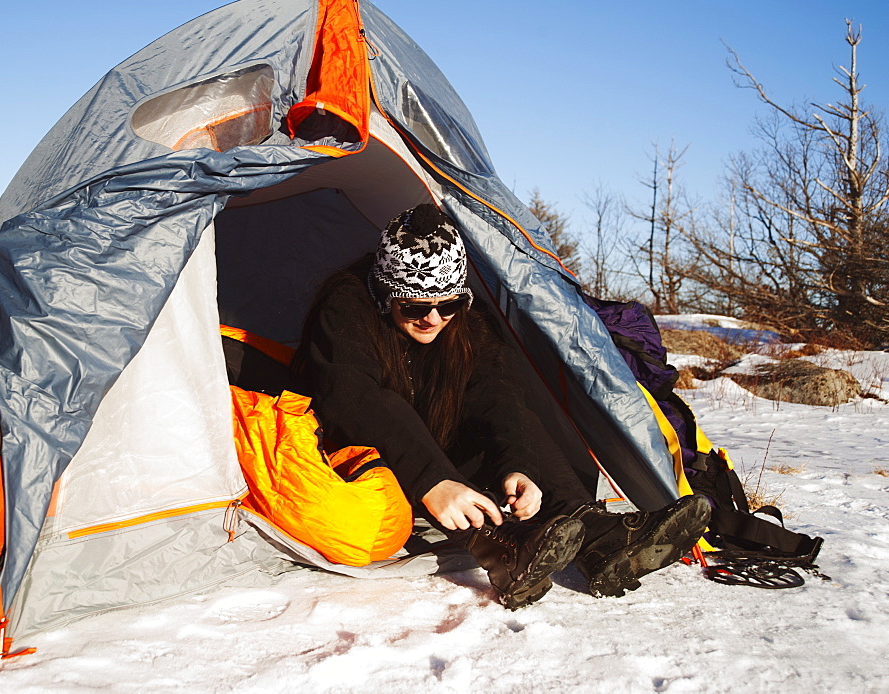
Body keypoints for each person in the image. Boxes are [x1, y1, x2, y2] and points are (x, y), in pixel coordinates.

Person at [293, 204, 709, 609]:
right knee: (401, 421)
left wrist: (520, 465)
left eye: (449, 304)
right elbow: (356, 400)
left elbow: (498, 394)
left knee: (513, 417)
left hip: (427, 436)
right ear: (385, 294)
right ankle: (506, 549)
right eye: (415, 307)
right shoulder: (347, 308)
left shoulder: (466, 324)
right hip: (356, 442)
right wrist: (432, 480)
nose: (434, 319)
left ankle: (597, 536)